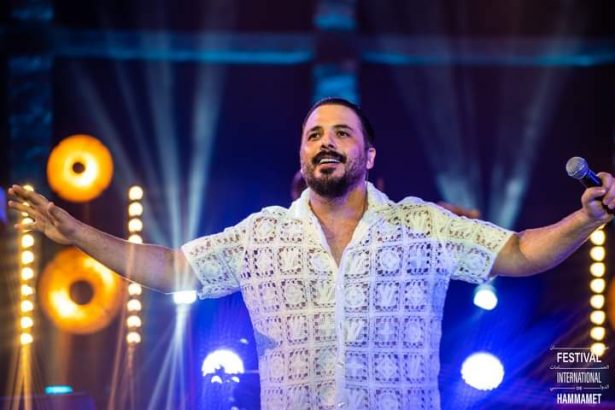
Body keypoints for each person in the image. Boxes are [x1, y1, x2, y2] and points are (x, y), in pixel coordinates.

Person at [8, 97, 615, 410]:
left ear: (368, 155)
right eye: (314, 135)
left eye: (342, 133)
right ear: (303, 155)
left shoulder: (422, 225)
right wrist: (80, 233)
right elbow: (173, 269)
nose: (327, 142)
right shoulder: (263, 234)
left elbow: (520, 253)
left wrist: (585, 219)